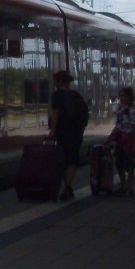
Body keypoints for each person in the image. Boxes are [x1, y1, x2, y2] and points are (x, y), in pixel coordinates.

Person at [48, 69, 88, 200]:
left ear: (59, 82)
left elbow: (55, 114)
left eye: (55, 81)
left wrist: (52, 131)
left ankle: (68, 188)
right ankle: (68, 187)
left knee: (62, 160)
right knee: (72, 160)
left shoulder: (57, 95)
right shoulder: (76, 95)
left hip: (62, 132)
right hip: (76, 133)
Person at [106, 87, 135, 197]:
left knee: (129, 164)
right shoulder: (120, 107)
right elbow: (118, 125)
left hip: (128, 139)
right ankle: (123, 186)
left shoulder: (132, 109)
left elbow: (134, 126)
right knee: (119, 163)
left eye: (124, 95)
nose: (122, 98)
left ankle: (130, 188)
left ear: (130, 97)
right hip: (120, 138)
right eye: (120, 95)